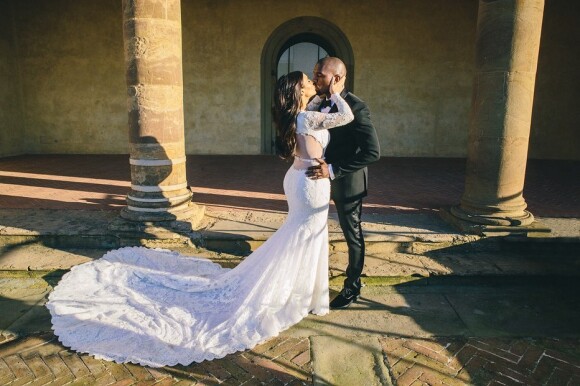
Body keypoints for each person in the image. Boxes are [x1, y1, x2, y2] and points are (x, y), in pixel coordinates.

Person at [46, 71, 354, 367]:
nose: (312, 82)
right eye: (306, 81)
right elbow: (346, 117)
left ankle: (306, 295)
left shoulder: (302, 113)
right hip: (310, 181)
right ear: (300, 91)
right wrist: (337, 94)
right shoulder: (306, 115)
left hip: (302, 177)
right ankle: (302, 297)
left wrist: (327, 94)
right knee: (303, 236)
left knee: (300, 236)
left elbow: (320, 113)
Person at [306, 57, 380, 309]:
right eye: (314, 74)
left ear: (336, 79)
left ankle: (352, 285)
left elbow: (372, 152)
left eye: (319, 75)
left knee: (352, 234)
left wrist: (334, 170)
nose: (314, 79)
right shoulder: (319, 103)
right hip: (318, 181)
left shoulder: (357, 107)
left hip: (347, 182)